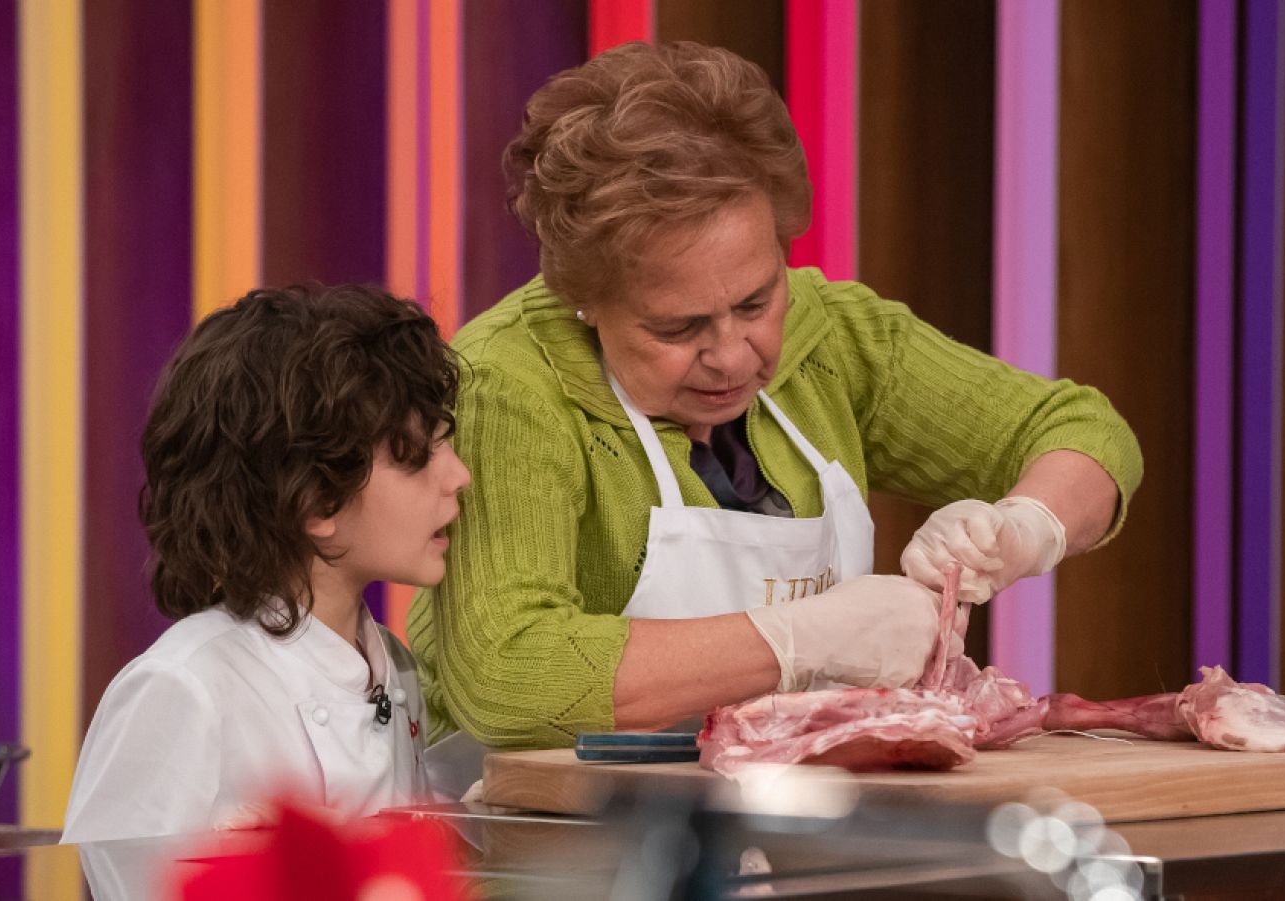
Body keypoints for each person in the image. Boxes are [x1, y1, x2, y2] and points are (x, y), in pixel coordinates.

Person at [407, 41, 1142, 752]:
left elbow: (1084, 432)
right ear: (584, 299)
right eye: (678, 326)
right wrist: (801, 637)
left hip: (780, 815)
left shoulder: (834, 340)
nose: (731, 354)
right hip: (547, 845)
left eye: (757, 303)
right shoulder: (508, 384)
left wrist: (1027, 525)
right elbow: (507, 672)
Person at [62, 285, 470, 842]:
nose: (459, 477)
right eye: (418, 455)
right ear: (316, 499)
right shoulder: (183, 687)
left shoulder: (392, 668)